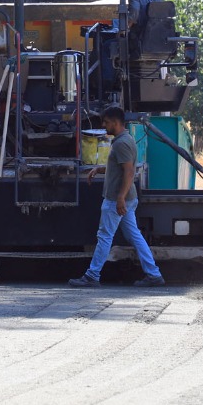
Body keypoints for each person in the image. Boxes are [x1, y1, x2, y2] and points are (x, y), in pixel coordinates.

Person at [69, 105, 164, 288]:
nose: (103, 125)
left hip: (117, 200)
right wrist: (99, 169)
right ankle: (154, 274)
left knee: (105, 236)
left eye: (106, 122)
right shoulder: (124, 140)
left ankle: (92, 276)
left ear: (115, 122)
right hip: (125, 198)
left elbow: (129, 172)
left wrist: (120, 198)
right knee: (135, 236)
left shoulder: (121, 143)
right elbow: (121, 167)